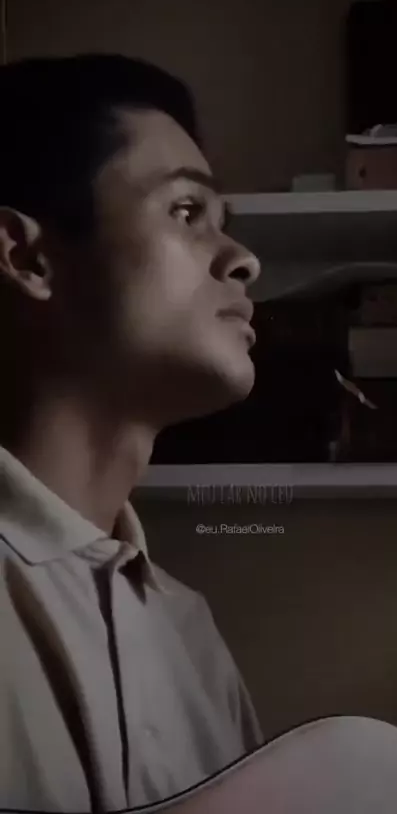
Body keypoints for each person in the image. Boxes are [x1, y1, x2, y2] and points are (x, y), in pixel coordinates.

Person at [0, 53, 262, 811]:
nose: (245, 260)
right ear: (26, 256)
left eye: (225, 224)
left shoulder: (192, 637)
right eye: (186, 211)